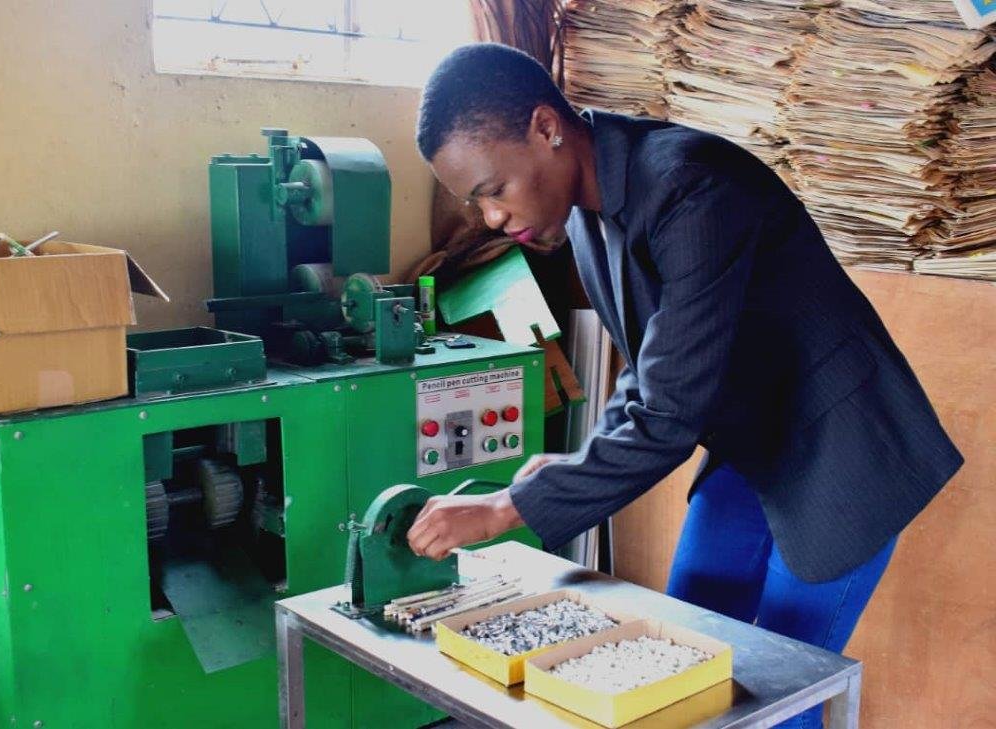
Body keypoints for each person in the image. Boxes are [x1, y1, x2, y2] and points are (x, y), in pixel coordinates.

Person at [406, 43, 962, 727]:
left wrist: (507, 507)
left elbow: (669, 414)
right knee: (680, 651)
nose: (491, 216)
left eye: (494, 189)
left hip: (842, 454)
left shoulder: (694, 187)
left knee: (778, 691)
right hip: (754, 446)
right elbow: (652, 365)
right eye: (476, 201)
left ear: (546, 128)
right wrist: (576, 465)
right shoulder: (582, 215)